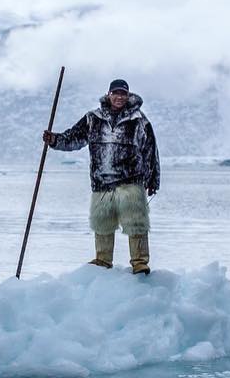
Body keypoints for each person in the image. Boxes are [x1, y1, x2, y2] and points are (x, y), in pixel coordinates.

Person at [43, 78, 160, 274]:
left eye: (123, 94)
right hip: (101, 182)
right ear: (109, 95)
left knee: (136, 223)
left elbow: (150, 151)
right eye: (116, 93)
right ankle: (103, 260)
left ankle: (140, 262)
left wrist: (153, 179)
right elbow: (73, 138)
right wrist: (54, 140)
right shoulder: (93, 119)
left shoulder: (139, 121)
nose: (119, 97)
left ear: (128, 96)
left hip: (131, 181)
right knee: (102, 223)